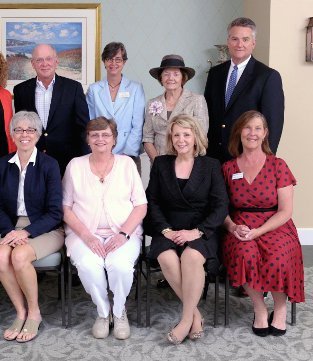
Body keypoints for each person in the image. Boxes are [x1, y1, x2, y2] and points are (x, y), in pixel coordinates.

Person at [144, 114, 228, 345]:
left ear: (195, 137)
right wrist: (165, 230)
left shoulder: (211, 165)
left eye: (186, 134)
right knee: (167, 259)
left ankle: (184, 320)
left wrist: (198, 231)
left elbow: (221, 205)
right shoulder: (161, 163)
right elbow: (152, 201)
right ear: (171, 138)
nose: (181, 139)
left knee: (192, 257)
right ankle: (196, 316)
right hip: (168, 228)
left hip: (201, 228)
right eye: (177, 134)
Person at [63, 117, 146, 340]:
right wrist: (86, 237)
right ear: (88, 139)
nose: (100, 139)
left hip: (123, 232)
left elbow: (141, 205)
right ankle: (103, 312)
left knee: (119, 265)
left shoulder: (127, 164)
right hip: (84, 234)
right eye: (95, 135)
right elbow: (66, 208)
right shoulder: (75, 165)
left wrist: (123, 234)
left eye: (106, 135)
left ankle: (119, 312)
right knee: (89, 265)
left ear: (114, 140)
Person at [221, 111, 304, 337]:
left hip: (274, 225)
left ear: (265, 133)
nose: (252, 133)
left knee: (278, 258)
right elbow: (220, 208)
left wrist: (259, 231)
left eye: (258, 128)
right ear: (239, 132)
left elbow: (286, 210)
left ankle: (279, 309)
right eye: (247, 128)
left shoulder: (278, 165)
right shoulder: (228, 168)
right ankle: (259, 308)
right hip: (241, 227)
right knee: (244, 255)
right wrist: (232, 227)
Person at [0, 111, 64, 343]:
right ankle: (20, 311)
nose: (24, 134)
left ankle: (34, 312)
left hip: (46, 227)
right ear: (12, 134)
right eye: (19, 130)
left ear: (37, 134)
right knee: (1, 255)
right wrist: (9, 232)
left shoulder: (49, 164)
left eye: (30, 130)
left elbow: (56, 212)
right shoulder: (3, 164)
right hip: (12, 226)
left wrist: (26, 233)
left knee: (20, 255)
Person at [205, 17, 284, 163]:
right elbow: (207, 116)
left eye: (245, 39)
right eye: (235, 39)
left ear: (254, 43)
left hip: (248, 159)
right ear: (228, 42)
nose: (239, 44)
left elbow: (273, 124)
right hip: (214, 159)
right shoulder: (215, 73)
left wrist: (265, 162)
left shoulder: (268, 76)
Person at [13, 44, 90, 176]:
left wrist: (85, 162)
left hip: (67, 163)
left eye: (48, 59)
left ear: (56, 61)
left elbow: (83, 128)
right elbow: (20, 129)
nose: (45, 64)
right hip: (32, 163)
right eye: (39, 60)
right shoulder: (20, 90)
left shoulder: (73, 88)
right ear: (33, 63)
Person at [86, 42, 145, 173]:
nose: (113, 63)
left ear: (124, 62)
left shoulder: (136, 88)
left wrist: (127, 154)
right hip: (101, 153)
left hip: (129, 154)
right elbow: (91, 123)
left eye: (118, 59)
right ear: (104, 62)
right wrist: (99, 149)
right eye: (109, 59)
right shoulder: (94, 89)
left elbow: (138, 124)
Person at [143, 54, 209, 164]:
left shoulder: (197, 100)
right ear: (161, 78)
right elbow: (147, 138)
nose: (170, 78)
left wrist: (186, 161)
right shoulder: (152, 103)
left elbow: (201, 136)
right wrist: (158, 162)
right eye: (166, 74)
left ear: (183, 77)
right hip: (159, 163)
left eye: (176, 74)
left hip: (188, 163)